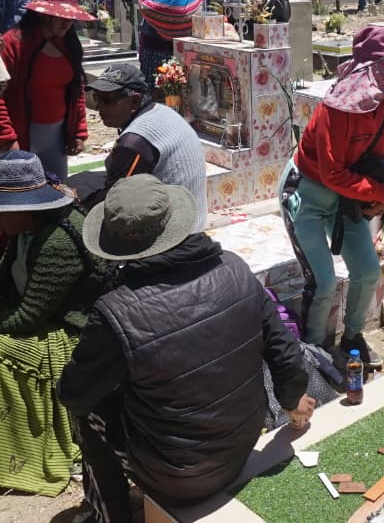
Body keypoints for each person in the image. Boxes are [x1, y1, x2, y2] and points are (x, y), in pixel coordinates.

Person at [60, 174, 314, 520]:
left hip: (177, 480)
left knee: (85, 413)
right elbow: (285, 351)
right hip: (240, 446)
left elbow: (74, 393)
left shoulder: (114, 311)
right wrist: (292, 401)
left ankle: (112, 515)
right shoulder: (236, 269)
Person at [0, 151, 108, 496]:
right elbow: (2, 275)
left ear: (23, 208)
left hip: (73, 330)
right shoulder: (27, 229)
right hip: (37, 309)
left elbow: (29, 317)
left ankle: (9, 455)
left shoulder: (59, 239)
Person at [279, 26, 384, 368]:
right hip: (309, 195)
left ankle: (352, 338)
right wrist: (381, 194)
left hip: (345, 200)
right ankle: (314, 351)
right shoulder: (337, 110)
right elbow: (332, 173)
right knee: (324, 280)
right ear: (378, 73)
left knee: (368, 270)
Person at [0, 0, 93, 179]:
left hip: (56, 138)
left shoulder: (68, 44)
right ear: (42, 13)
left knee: (57, 194)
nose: (68, 22)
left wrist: (78, 131)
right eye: (60, 15)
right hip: (20, 138)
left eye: (71, 16)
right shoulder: (13, 44)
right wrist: (7, 138)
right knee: (23, 197)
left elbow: (75, 89)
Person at [82, 63, 208, 217]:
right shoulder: (161, 111)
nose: (99, 107)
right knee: (84, 181)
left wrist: (79, 205)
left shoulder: (134, 142)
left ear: (135, 101)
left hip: (172, 230)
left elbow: (114, 200)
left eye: (106, 99)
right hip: (192, 216)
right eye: (97, 98)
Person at [137, 0, 204, 90]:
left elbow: (146, 1)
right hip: (179, 47)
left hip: (152, 41)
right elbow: (197, 6)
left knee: (152, 85)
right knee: (175, 86)